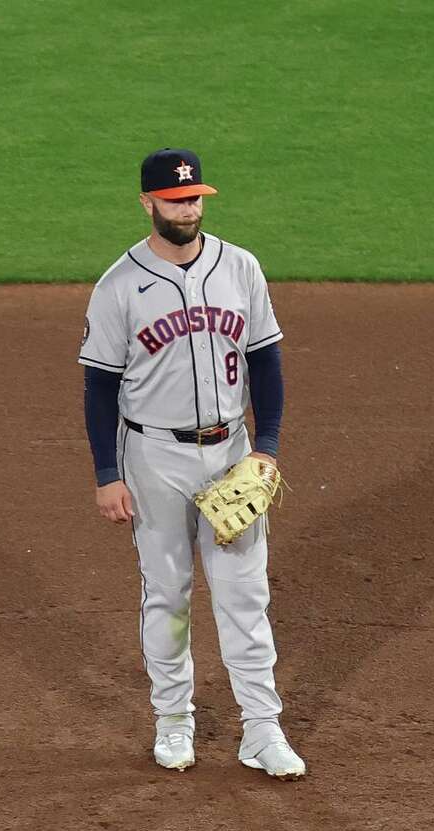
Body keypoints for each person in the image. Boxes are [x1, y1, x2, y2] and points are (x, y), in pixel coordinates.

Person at [77, 148, 305, 779]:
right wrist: (107, 473)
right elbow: (99, 384)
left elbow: (266, 361)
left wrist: (268, 447)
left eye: (196, 198)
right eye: (176, 200)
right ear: (148, 202)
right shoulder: (119, 285)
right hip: (153, 458)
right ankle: (173, 721)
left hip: (232, 452)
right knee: (168, 596)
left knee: (244, 596)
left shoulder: (241, 268)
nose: (189, 208)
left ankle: (262, 730)